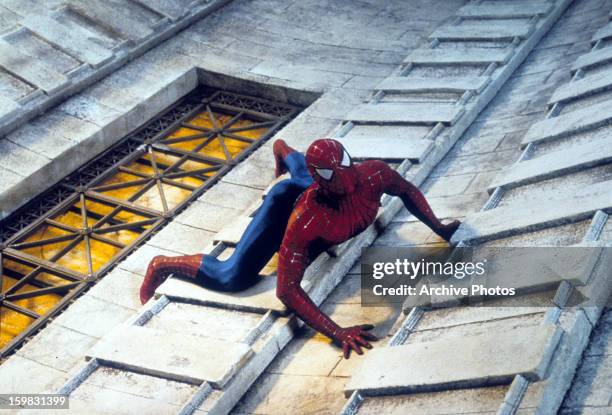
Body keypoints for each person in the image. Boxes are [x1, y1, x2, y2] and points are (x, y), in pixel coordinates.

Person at [140, 138, 460, 358]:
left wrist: (439, 227)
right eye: (331, 174)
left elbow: (406, 189)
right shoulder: (306, 220)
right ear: (325, 181)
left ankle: (282, 149)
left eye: (343, 165)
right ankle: (163, 264)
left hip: (310, 183)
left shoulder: (373, 173)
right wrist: (337, 332)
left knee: (303, 174)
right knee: (232, 277)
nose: (346, 180)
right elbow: (287, 289)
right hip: (283, 207)